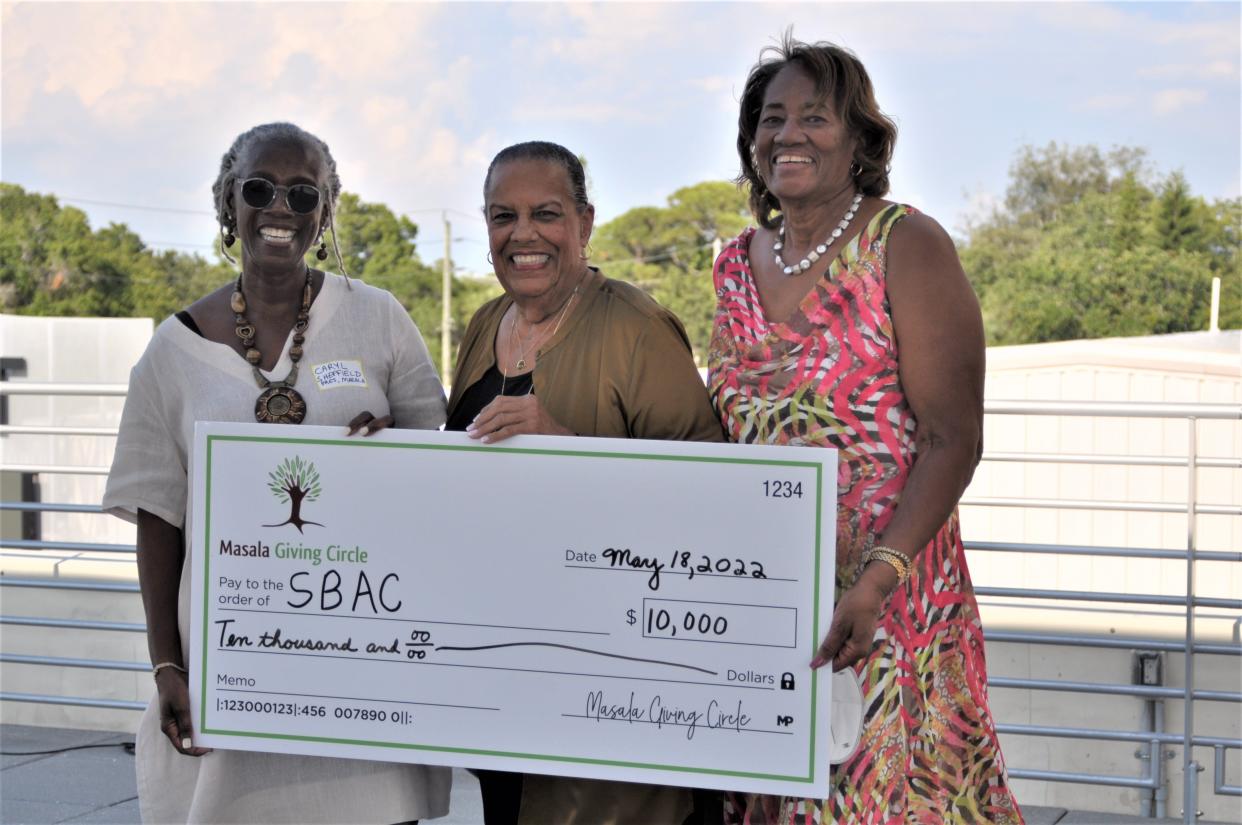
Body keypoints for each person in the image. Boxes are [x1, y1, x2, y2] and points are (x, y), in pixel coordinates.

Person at [707, 37, 1023, 823]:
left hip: (889, 598)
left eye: (815, 117)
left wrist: (875, 581)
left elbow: (955, 438)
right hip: (775, 597)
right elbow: (719, 433)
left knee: (891, 797)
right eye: (772, 118)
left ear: (859, 140)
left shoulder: (906, 244)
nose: (789, 135)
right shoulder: (734, 264)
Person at [102, 122, 450, 824]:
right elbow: (159, 521)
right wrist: (168, 666)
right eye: (258, 189)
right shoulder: (171, 354)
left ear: (327, 211)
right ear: (227, 203)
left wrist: (396, 448)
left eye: (303, 193)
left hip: (363, 672)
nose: (280, 208)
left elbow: (436, 461)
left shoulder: (378, 319)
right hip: (235, 676)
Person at [446, 140, 724, 825]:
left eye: (546, 213)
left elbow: (713, 495)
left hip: (614, 681)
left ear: (585, 222)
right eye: (502, 216)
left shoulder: (636, 327)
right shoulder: (484, 325)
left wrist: (565, 444)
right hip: (503, 673)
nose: (524, 234)